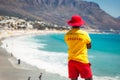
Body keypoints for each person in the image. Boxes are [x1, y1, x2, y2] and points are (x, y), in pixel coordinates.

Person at [64, 15, 93, 80]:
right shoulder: (84, 34)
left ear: (71, 24)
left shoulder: (67, 34)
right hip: (82, 60)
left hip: (71, 60)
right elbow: (89, 46)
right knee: (89, 78)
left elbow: (70, 44)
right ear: (80, 24)